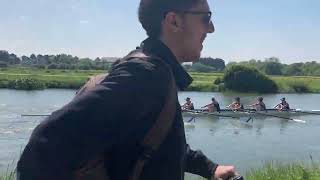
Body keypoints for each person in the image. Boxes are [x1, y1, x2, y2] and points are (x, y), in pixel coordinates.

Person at [17, 0, 237, 180]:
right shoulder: (147, 75)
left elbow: (152, 144)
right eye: (206, 17)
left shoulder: (155, 72)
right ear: (174, 21)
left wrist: (209, 168)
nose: (211, 28)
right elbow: (46, 144)